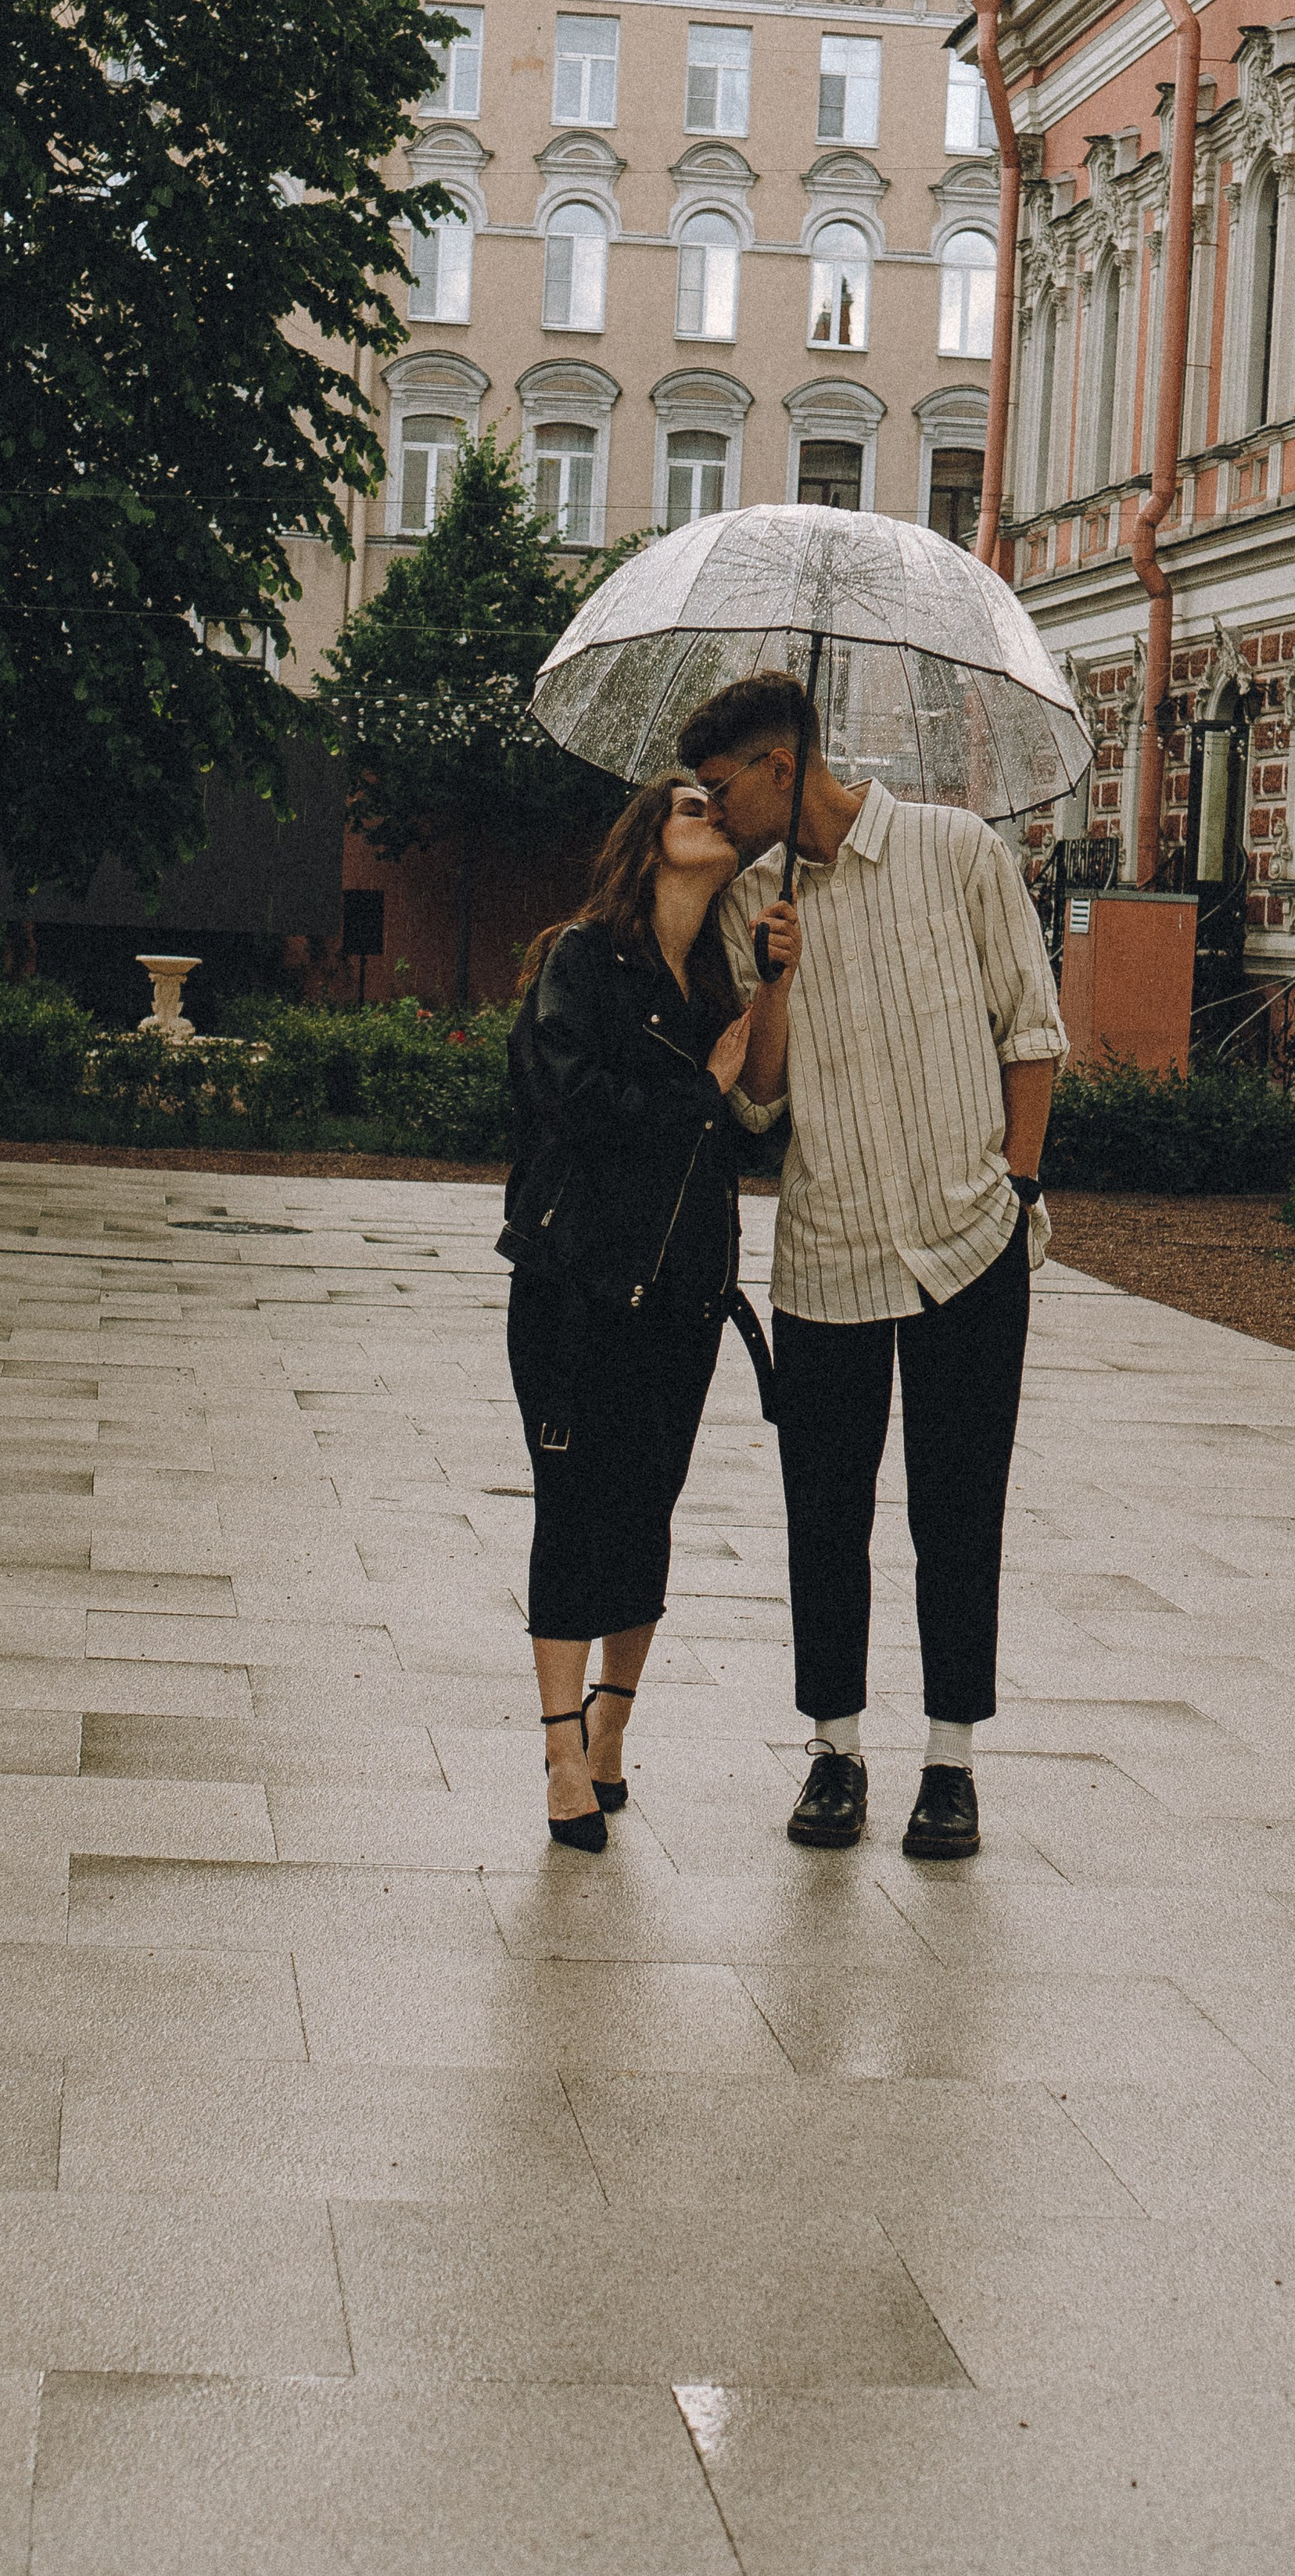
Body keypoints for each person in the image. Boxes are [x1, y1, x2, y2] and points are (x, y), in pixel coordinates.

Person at [678, 671, 1066, 1862]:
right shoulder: (752, 903)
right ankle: (835, 1751)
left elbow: (1032, 1029)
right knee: (825, 1515)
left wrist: (1018, 1191)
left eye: (720, 782)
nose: (708, 803)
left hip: (969, 1246)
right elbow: (757, 1104)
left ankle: (950, 1765)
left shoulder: (956, 853)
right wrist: (778, 975)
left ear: (780, 765)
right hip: (831, 1251)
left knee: (959, 1514)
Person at [499, 773, 760, 1850]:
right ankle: (561, 1754)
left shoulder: (723, 984)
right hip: (574, 1282)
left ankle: (612, 1733)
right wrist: (700, 1087)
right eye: (694, 806)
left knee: (648, 1505)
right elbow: (568, 1098)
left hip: (685, 1288)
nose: (716, 818)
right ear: (649, 840)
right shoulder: (580, 957)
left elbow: (755, 1121)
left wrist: (776, 987)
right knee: (574, 1507)